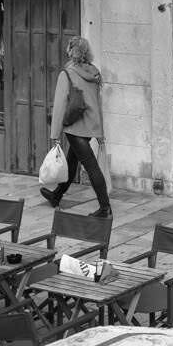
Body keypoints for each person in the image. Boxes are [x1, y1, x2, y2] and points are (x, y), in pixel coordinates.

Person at [42, 37, 111, 218]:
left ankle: (105, 208)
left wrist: (54, 133)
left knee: (91, 167)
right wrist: (99, 131)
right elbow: (97, 104)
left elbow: (59, 106)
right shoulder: (94, 72)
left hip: (75, 127)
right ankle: (56, 195)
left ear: (71, 51)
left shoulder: (67, 74)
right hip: (89, 127)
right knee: (72, 161)